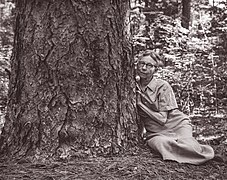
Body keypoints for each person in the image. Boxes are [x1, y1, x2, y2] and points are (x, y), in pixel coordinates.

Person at [136, 50, 214, 165]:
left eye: (149, 65)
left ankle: (204, 154)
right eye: (141, 63)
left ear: (155, 69)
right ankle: (186, 155)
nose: (143, 68)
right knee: (161, 144)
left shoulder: (162, 86)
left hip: (177, 124)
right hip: (156, 132)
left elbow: (162, 119)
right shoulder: (132, 84)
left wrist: (141, 105)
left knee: (190, 147)